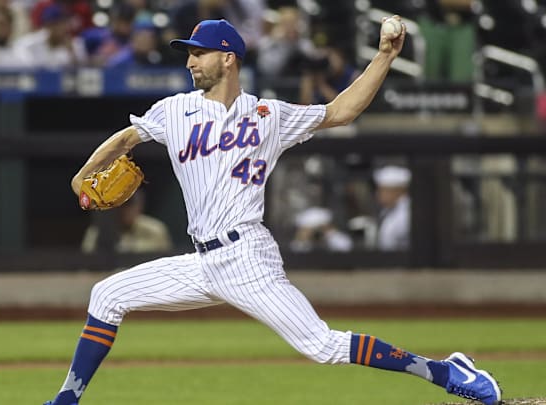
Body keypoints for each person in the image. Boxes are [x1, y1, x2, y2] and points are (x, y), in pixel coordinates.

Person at [43, 18, 502, 405]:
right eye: (188, 53)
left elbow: (340, 112)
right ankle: (66, 399)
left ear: (228, 58)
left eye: (198, 53)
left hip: (247, 259)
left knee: (322, 345)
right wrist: (82, 174)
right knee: (106, 296)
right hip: (202, 261)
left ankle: (445, 373)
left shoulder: (268, 115)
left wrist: (383, 56)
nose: (189, 62)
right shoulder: (173, 110)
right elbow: (126, 139)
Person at [81, 190, 173, 254]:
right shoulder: (98, 231)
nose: (127, 210)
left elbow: (165, 257)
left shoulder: (155, 229)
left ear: (139, 206)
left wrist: (128, 248)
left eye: (131, 205)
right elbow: (88, 258)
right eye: (123, 206)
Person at [374, 165, 411, 251]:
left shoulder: (406, 214)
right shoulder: (389, 210)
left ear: (398, 191)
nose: (378, 194)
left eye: (382, 190)